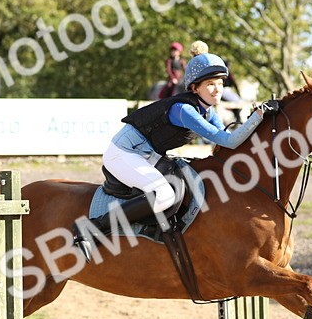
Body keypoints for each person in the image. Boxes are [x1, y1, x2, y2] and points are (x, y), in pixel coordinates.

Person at [73, 40, 273, 259]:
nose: (218, 90)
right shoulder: (185, 110)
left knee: (184, 183)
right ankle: (92, 228)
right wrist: (258, 116)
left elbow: (229, 139)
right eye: (210, 85)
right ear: (195, 88)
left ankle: (153, 227)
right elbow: (230, 141)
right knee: (165, 195)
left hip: (147, 154)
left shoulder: (208, 111)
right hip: (123, 153)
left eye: (220, 83)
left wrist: (260, 121)